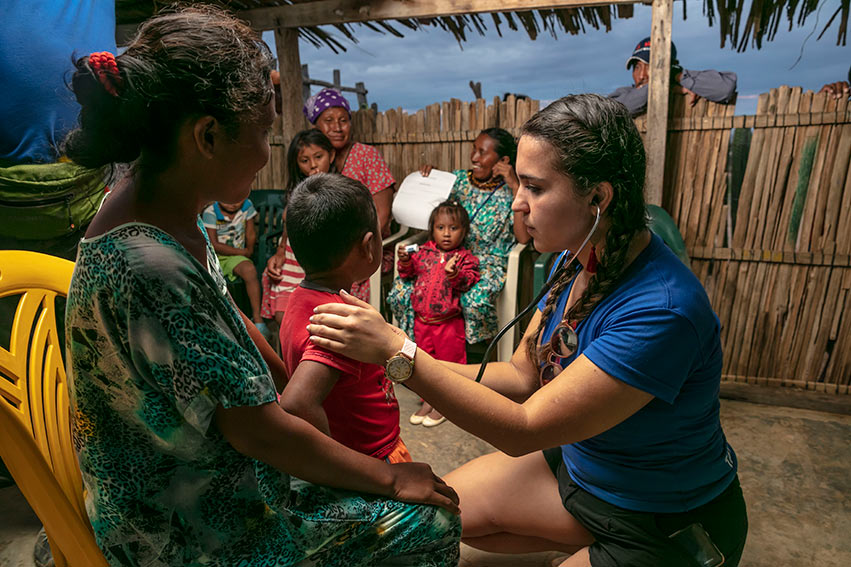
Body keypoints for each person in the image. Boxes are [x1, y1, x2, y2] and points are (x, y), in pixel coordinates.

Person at [62, 6, 459, 566]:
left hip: (198, 480)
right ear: (207, 135)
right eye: (265, 132)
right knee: (432, 520)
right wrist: (389, 480)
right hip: (183, 529)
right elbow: (259, 434)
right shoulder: (149, 267)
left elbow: (233, 325)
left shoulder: (162, 210)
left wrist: (291, 383)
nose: (269, 153)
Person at [308, 94, 749, 567]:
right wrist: (398, 353)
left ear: (598, 198)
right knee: (436, 516)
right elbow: (520, 375)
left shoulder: (661, 310)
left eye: (535, 188)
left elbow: (524, 429)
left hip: (659, 517)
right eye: (519, 184)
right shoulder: (574, 259)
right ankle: (579, 546)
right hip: (584, 470)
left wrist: (399, 355)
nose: (517, 203)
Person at [278, 173, 411, 463]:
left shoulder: (299, 300)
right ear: (368, 245)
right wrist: (341, 466)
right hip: (376, 460)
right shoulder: (337, 319)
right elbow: (297, 401)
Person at [388, 128, 530, 361]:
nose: (474, 157)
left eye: (482, 152)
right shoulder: (458, 181)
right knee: (403, 290)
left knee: (473, 299)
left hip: (486, 262)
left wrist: (515, 186)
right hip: (443, 255)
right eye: (474, 149)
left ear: (503, 161)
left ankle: (477, 358)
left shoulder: (514, 189)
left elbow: (523, 239)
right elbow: (430, 207)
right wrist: (429, 178)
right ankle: (411, 354)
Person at [305, 87, 396, 302]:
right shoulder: (314, 160)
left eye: (343, 120)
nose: (337, 127)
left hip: (367, 247)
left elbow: (381, 217)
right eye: (329, 120)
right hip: (326, 250)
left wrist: (347, 251)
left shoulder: (366, 156)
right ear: (315, 125)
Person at [399, 200, 480, 427]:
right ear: (432, 229)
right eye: (440, 228)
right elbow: (407, 273)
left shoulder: (465, 258)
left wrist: (454, 274)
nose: (446, 234)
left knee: (448, 365)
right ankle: (429, 401)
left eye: (453, 228)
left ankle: (447, 404)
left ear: (464, 231)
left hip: (448, 324)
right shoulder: (424, 252)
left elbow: (468, 281)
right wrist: (405, 260)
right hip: (422, 321)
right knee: (424, 364)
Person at [261, 129, 334, 334]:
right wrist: (280, 250)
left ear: (332, 155)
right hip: (293, 260)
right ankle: (290, 363)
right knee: (283, 317)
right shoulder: (298, 191)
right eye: (304, 160)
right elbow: (288, 226)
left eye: (318, 157)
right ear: (297, 165)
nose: (313, 165)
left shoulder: (339, 191)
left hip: (320, 263)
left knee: (315, 323)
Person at [609, 37, 738, 116]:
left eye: (650, 67)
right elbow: (614, 111)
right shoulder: (624, 94)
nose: (642, 75)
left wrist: (677, 75)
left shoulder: (686, 82)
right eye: (637, 67)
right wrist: (667, 87)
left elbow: (725, 89)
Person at [202, 198, 269, 338]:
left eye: (237, 199)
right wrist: (243, 252)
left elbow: (250, 233)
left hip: (237, 257)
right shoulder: (210, 212)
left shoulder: (246, 206)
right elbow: (213, 244)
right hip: (216, 255)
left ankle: (258, 319)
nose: (232, 203)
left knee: (250, 270)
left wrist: (249, 249)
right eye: (227, 198)